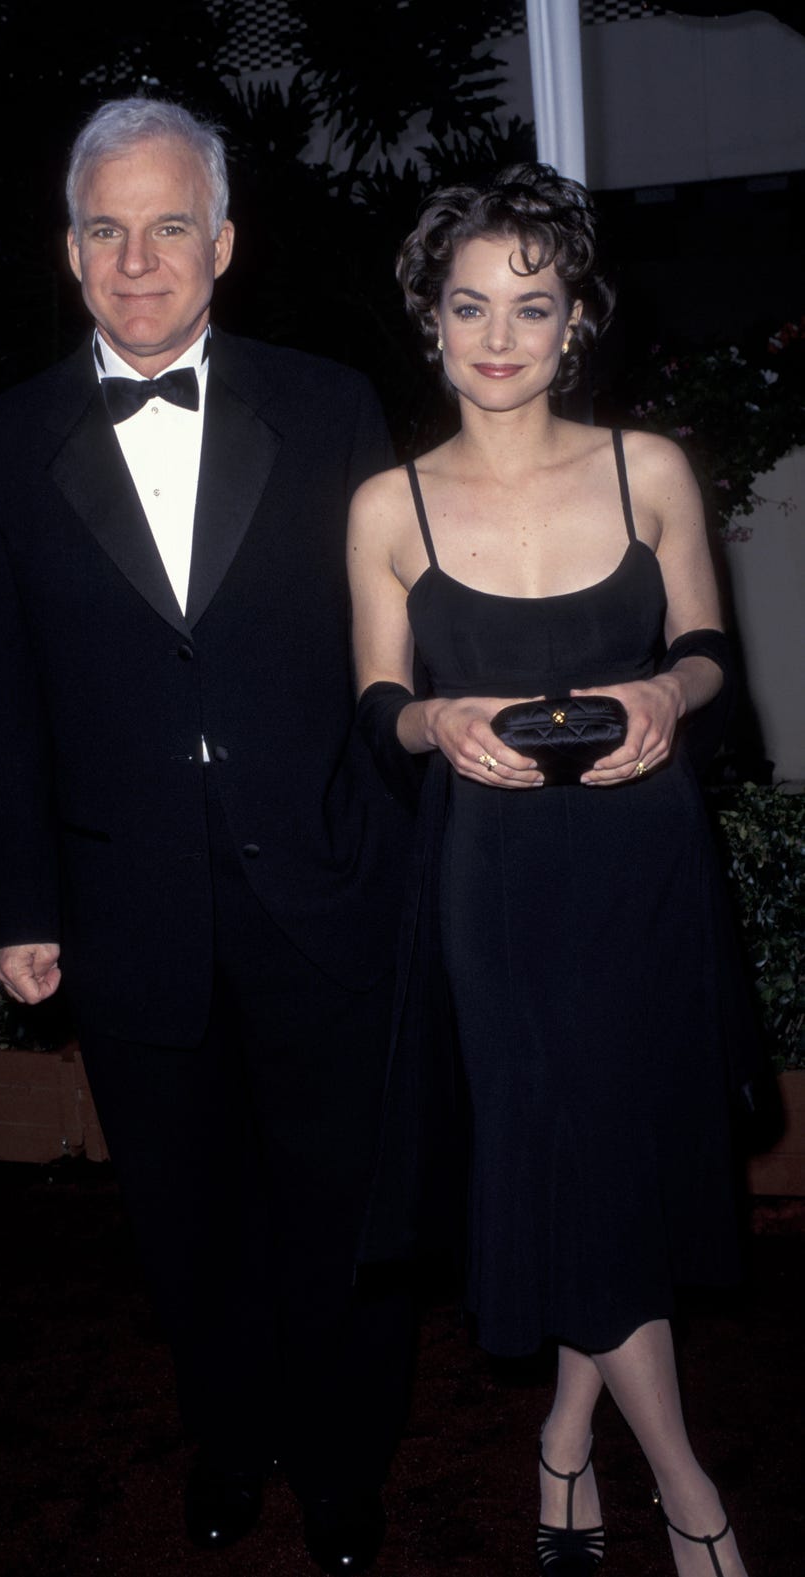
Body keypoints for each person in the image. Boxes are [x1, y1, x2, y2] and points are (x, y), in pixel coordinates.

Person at [0, 97, 413, 1575]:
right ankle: (231, 1439)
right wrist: (22, 903)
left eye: (167, 226)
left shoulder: (332, 404)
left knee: (341, 1209)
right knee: (186, 1219)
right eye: (106, 227)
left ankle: (344, 1463)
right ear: (68, 249)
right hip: (124, 899)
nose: (136, 258)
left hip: (323, 886)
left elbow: (393, 649)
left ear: (223, 242)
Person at [348, 166, 751, 1576]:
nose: (501, 334)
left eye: (533, 302)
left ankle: (564, 1440)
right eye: (471, 305)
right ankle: (693, 1492)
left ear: (576, 318)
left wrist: (666, 698)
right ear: (432, 320)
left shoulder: (649, 468)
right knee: (566, 1160)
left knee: (613, 1172)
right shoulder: (386, 506)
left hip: (642, 865)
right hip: (495, 882)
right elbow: (377, 708)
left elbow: (709, 650)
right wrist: (435, 718)